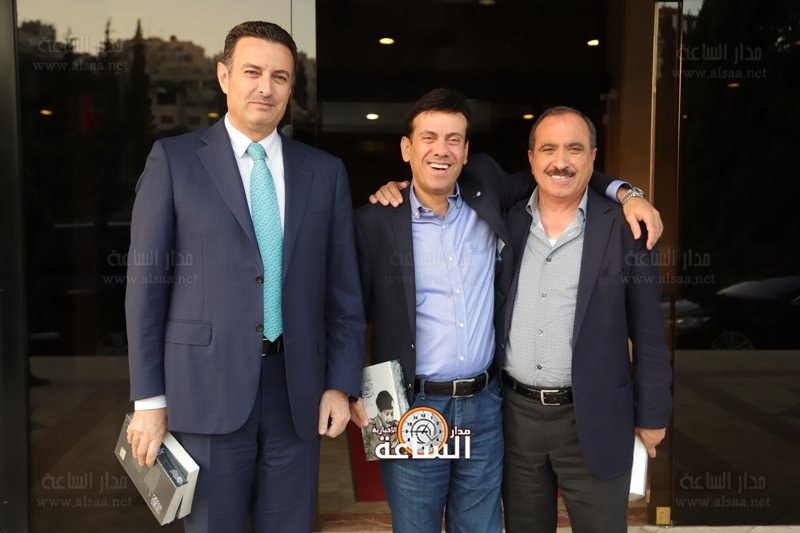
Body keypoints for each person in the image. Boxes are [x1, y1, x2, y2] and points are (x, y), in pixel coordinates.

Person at [351, 89, 662, 533]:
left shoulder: (489, 193)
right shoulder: (373, 220)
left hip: (485, 405)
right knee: (415, 526)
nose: (441, 150)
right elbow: (347, 314)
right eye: (429, 138)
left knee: (481, 526)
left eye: (454, 139)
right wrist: (349, 388)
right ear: (406, 148)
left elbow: (564, 175)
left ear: (467, 152)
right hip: (409, 405)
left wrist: (628, 192)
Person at [124, 21, 365, 533]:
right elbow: (145, 290)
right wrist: (149, 399)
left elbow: (343, 293)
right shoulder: (174, 161)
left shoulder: (325, 172)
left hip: (296, 394)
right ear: (224, 76)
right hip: (203, 392)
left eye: (280, 77)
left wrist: (339, 385)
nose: (266, 88)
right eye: (253, 72)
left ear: (291, 88)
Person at [499, 106, 672, 533]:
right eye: (549, 149)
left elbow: (649, 334)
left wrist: (653, 414)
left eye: (574, 149)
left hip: (594, 416)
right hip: (515, 419)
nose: (561, 161)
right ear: (531, 158)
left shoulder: (628, 228)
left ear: (593, 158)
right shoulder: (506, 220)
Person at [362, 390, 399, 461]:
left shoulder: (399, 426)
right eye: (387, 414)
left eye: (392, 413)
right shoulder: (368, 428)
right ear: (379, 410)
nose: (390, 419)